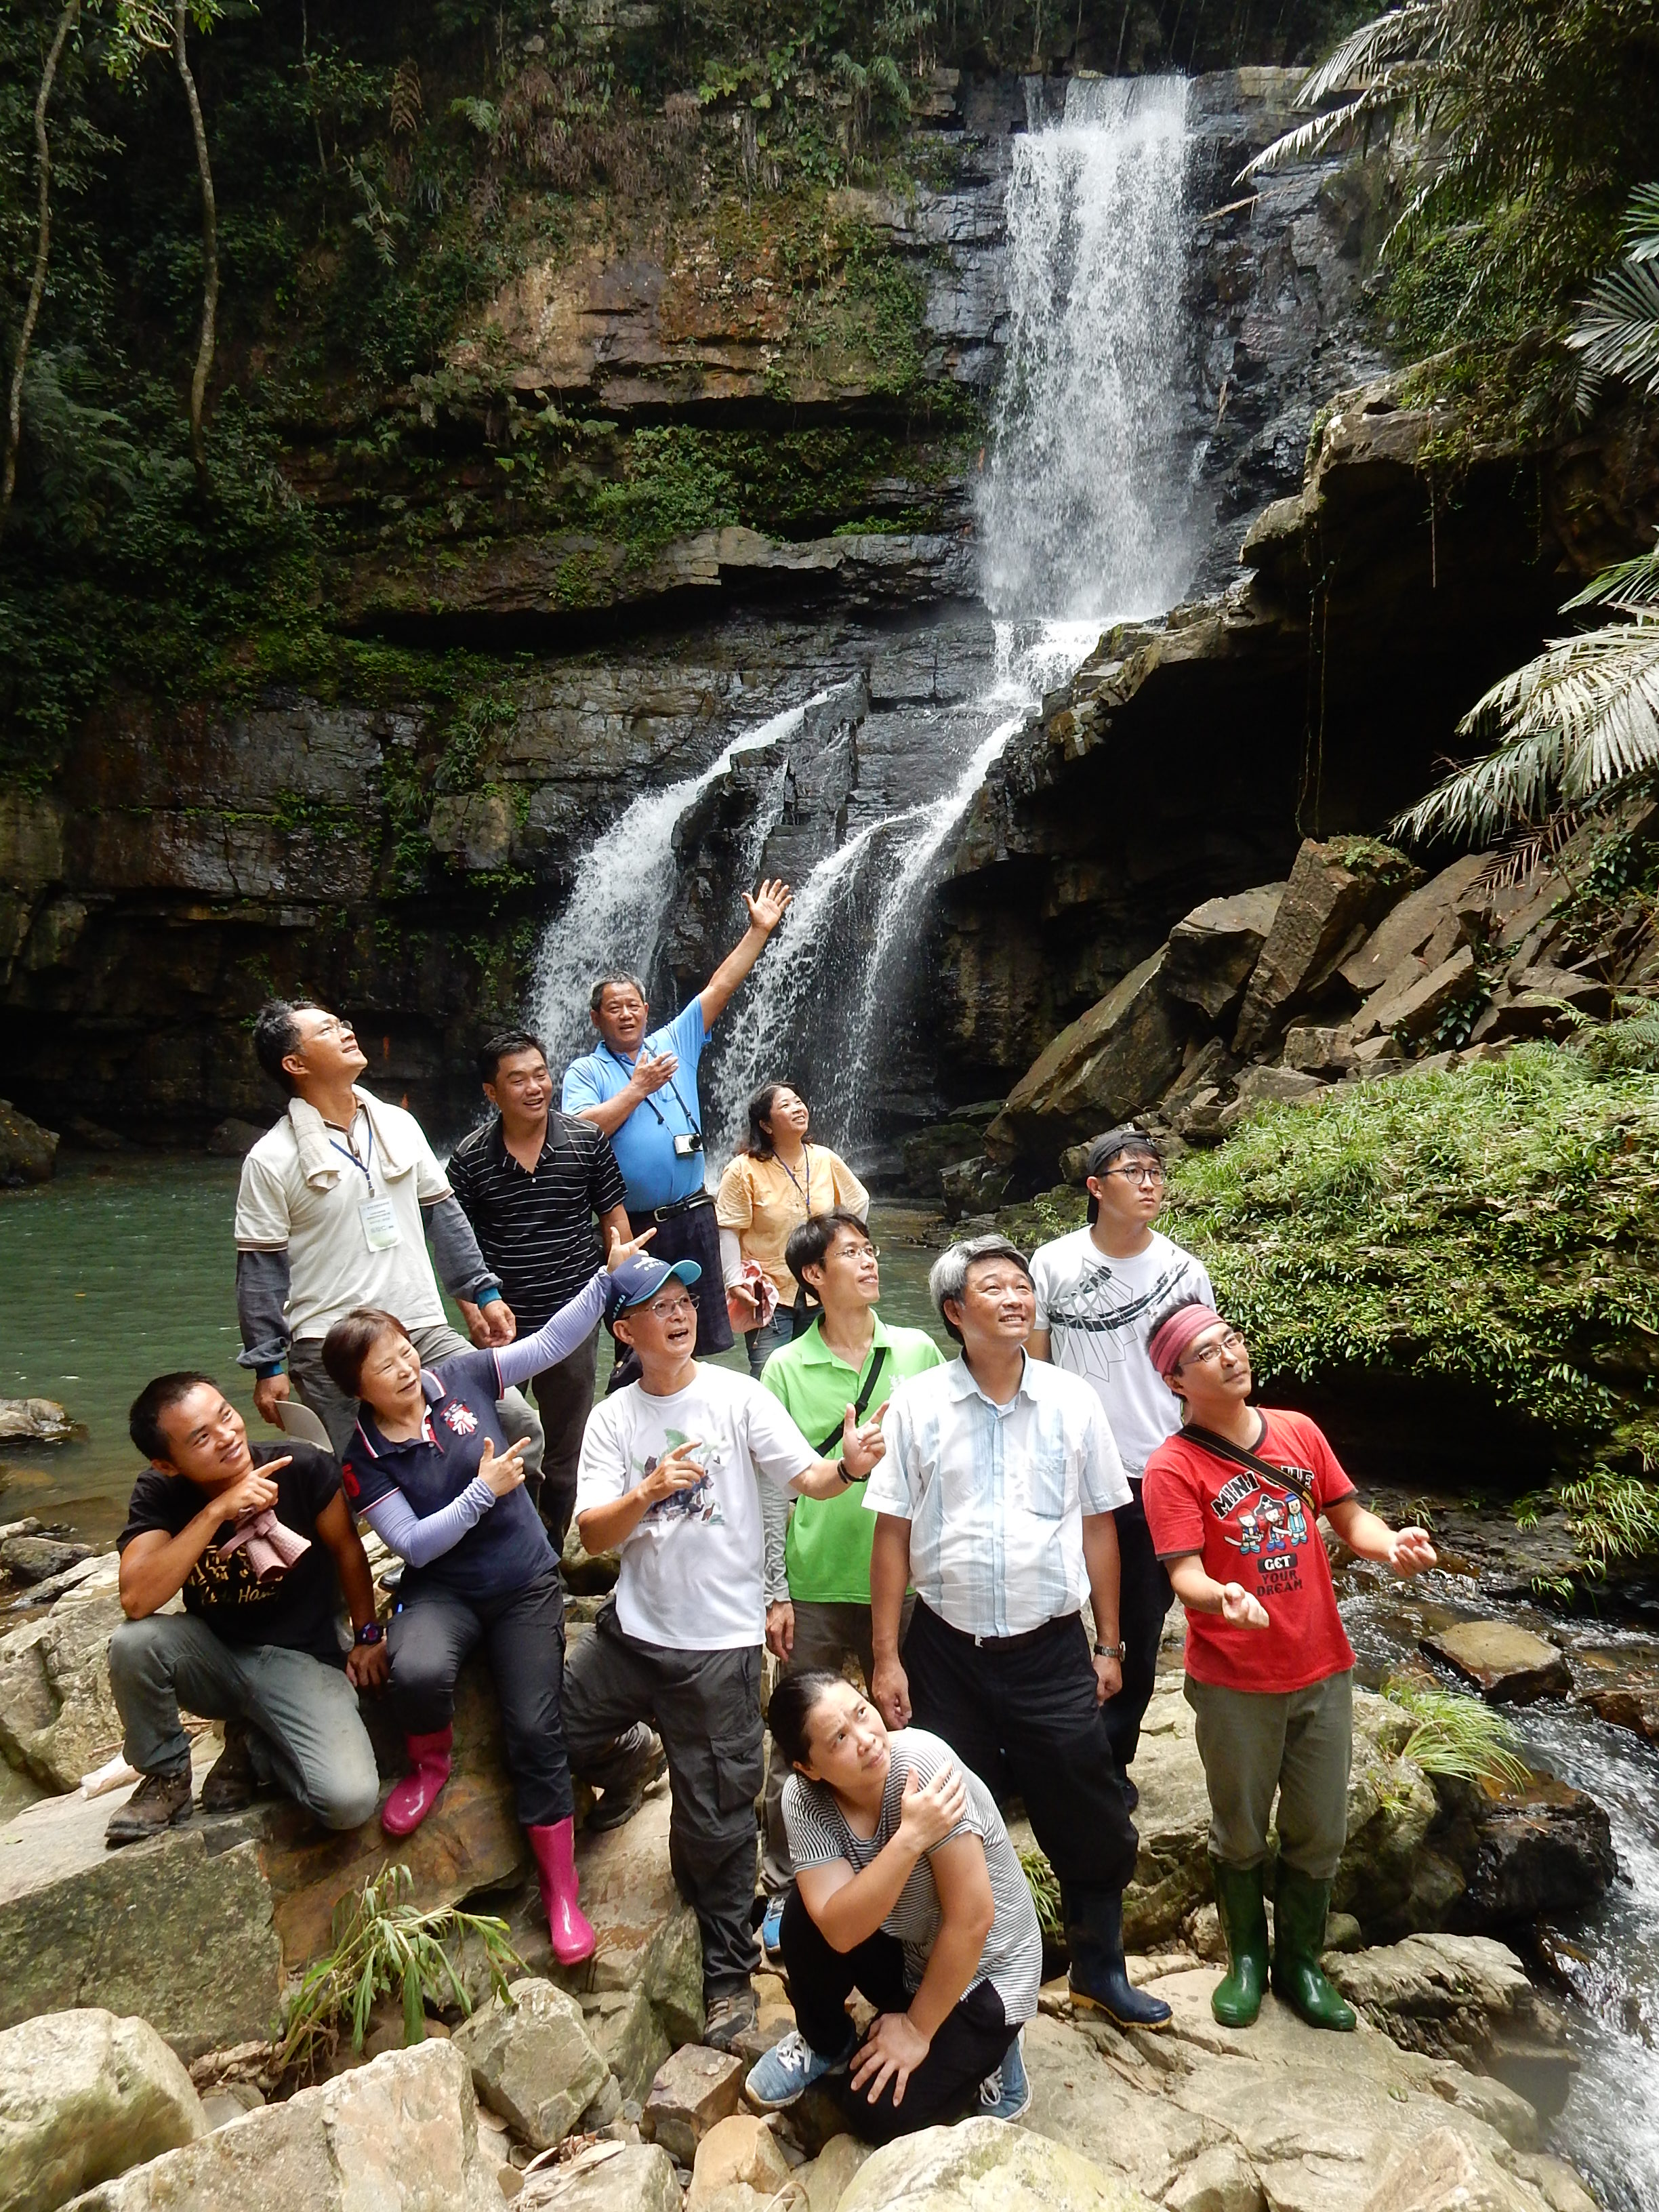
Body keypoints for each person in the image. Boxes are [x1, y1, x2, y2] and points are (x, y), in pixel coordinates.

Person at [562, 1250, 888, 2050]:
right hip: (632, 1636)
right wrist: (647, 1491)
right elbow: (593, 1533)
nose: (678, 1314)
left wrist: (847, 1464)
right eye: (656, 1306)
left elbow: (807, 1479)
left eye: (683, 1300)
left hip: (719, 1651)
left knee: (715, 1826)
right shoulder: (614, 1418)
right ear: (624, 1329)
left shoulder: (737, 1397)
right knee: (548, 1727)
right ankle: (632, 1755)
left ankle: (725, 1975)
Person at [322, 1234, 664, 1965]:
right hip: (442, 1589)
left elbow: (545, 1347)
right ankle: (430, 1766)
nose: (407, 1366)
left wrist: (606, 1287)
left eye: (406, 1350)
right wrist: (484, 1492)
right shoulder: (363, 1460)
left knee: (536, 1733)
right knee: (413, 1675)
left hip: (521, 1584)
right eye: (387, 1366)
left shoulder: (466, 1374)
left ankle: (562, 1895)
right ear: (360, 1389)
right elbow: (413, 1546)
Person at [863, 1234, 1172, 2031]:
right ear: (955, 1312)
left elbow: (1102, 1523)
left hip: (1049, 1648)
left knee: (1088, 1799)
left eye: (1022, 1286)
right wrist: (887, 1657)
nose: (1015, 1298)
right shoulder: (922, 1405)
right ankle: (943, 1974)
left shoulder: (1073, 1400)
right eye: (993, 1288)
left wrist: (1109, 1642)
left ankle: (1099, 1968)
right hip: (945, 1648)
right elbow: (892, 1532)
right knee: (938, 1808)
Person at [1141, 1300, 1438, 2032]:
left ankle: (1300, 1963)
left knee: (1320, 1828)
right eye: (1208, 1352)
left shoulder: (1300, 1431)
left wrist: (1390, 1544)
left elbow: (1348, 1517)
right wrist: (1223, 1595)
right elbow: (1183, 1574)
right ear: (1176, 1379)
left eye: (1233, 1340)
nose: (1231, 1356)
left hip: (1321, 1666)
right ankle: (1247, 1959)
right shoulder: (1172, 1466)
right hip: (1235, 1678)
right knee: (1240, 1829)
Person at [234, 999, 544, 1477]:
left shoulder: (398, 1125)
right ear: (294, 1063)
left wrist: (483, 1292)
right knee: (360, 1473)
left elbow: (443, 1215)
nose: (345, 1032)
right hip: (329, 1342)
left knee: (516, 1425)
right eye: (326, 1030)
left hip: (418, 1327)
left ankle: (511, 1546)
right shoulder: (271, 1157)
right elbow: (261, 1271)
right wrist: (268, 1365)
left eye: (342, 1023)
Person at [743, 1673, 1041, 2137]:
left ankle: (997, 2048)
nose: (866, 1740)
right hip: (910, 1948)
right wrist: (909, 1839)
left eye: (862, 1712)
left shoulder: (926, 1767)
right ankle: (826, 2043)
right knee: (805, 1912)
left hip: (986, 1968)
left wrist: (918, 2031)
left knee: (871, 2111)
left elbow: (973, 1920)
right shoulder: (802, 1797)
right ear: (809, 1767)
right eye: (839, 1737)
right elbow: (838, 1930)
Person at [104, 1371, 384, 1847]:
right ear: (168, 1464)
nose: (228, 1437)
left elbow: (348, 1551)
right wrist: (215, 1512)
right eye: (201, 1438)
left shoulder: (304, 1467)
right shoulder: (160, 1491)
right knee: (134, 1644)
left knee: (349, 1801)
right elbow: (136, 1598)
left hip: (304, 1659)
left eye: (226, 1416)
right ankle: (167, 1779)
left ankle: (254, 1747)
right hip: (215, 1655)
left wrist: (368, 1635)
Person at [752, 1208, 943, 1891]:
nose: (869, 1263)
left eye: (871, 1250)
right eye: (851, 1254)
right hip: (817, 1580)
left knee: (909, 1722)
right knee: (798, 1739)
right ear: (812, 1274)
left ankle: (910, 1864)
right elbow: (774, 1489)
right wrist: (774, 1587)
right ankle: (786, 1878)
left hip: (910, 1581)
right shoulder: (784, 1367)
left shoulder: (918, 1352)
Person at [1028, 1126, 1215, 1800]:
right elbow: (1034, 1369)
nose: (1148, 1182)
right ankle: (1046, 1751)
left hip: (1153, 1471)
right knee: (1050, 1617)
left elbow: (1203, 1374)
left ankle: (1109, 1763)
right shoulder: (1050, 1265)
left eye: (1156, 1172)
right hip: (1066, 1469)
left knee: (1136, 1624)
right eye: (1131, 1171)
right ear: (1095, 1187)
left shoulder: (1183, 1272)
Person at [560, 878, 793, 1375]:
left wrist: (759, 931)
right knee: (639, 1343)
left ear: (646, 1011)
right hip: (637, 1228)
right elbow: (580, 1135)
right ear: (596, 1018)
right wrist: (637, 1088)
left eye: (633, 1006)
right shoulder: (586, 1071)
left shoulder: (674, 1040)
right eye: (614, 1008)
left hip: (695, 1216)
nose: (626, 1014)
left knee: (705, 1338)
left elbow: (720, 986)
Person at [448, 1028, 631, 1549]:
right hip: (502, 1323)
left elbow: (614, 1227)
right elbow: (455, 1245)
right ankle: (498, 1533)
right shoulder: (470, 1158)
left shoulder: (585, 1140)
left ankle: (546, 1546)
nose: (535, 1088)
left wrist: (625, 1302)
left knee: (565, 1443)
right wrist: (473, 1313)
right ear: (491, 1092)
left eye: (541, 1074)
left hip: (574, 1314)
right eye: (518, 1079)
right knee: (487, 1434)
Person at [716, 1082, 869, 1377]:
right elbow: (729, 1229)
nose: (798, 1108)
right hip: (769, 1291)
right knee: (769, 1372)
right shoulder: (743, 1169)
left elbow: (859, 1203)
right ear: (766, 1124)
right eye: (785, 1105)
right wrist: (734, 1282)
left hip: (822, 1286)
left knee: (822, 1372)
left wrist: (848, 1253)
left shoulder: (825, 1158)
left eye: (798, 1102)